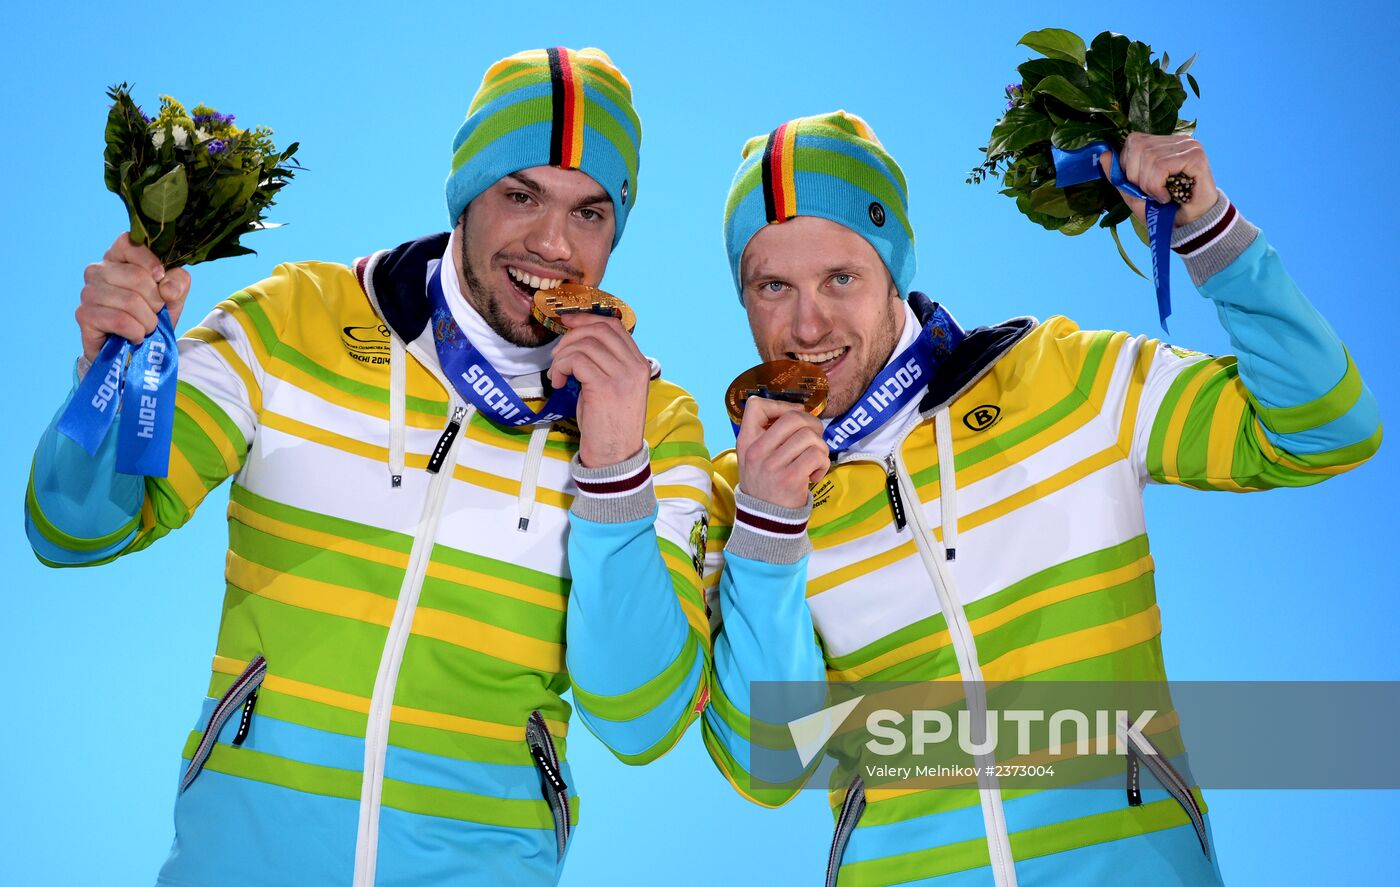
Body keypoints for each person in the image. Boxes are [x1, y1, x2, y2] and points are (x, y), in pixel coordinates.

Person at [25, 47, 712, 886]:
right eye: (520, 194)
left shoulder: (657, 421)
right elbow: (72, 529)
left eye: (592, 213)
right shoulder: (293, 321)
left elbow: (644, 717)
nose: (554, 243)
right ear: (466, 194)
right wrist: (108, 368)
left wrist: (612, 471)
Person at [700, 110, 1381, 886]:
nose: (807, 320)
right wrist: (770, 527)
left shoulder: (1065, 379)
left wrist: (1207, 229)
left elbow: (1327, 427)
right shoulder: (742, 496)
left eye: (841, 278)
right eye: (772, 286)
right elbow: (769, 764)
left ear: (895, 267)